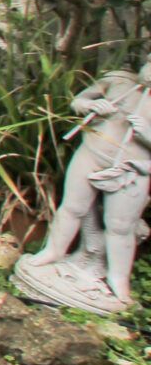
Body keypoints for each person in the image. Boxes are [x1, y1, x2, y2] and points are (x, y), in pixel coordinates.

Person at [24, 58, 151, 307]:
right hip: (92, 152)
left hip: (132, 168)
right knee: (73, 207)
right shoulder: (118, 80)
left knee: (121, 227)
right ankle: (54, 251)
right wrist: (91, 105)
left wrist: (146, 133)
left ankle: (118, 278)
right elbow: (78, 101)